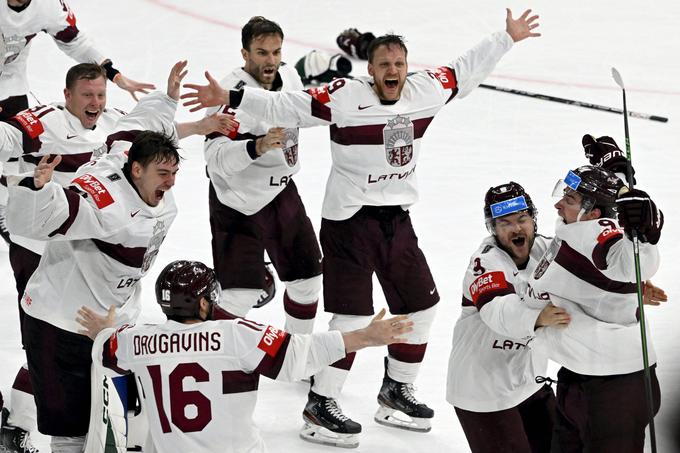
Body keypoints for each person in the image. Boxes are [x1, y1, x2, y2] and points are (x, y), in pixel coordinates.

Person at [182, 7, 541, 447]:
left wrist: (505, 37)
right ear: (369, 71)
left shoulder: (427, 89)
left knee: (421, 309)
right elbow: (287, 104)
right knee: (351, 317)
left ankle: (396, 391)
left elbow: (466, 67)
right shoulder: (345, 97)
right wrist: (235, 98)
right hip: (348, 222)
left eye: (399, 64)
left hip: (397, 221)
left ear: (407, 67)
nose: (393, 71)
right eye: (384, 65)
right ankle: (321, 403)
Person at [0, 61, 234, 453]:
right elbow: (48, 218)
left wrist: (168, 98)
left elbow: (144, 121)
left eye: (173, 173)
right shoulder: (105, 204)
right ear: (137, 170)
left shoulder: (127, 148)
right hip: (63, 321)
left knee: (125, 415)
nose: (170, 182)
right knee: (72, 430)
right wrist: (38, 189)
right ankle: (15, 426)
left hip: (112, 317)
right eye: (162, 174)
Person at [75, 259, 414, 453]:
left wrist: (105, 329)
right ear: (206, 303)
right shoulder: (237, 335)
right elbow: (301, 354)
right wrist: (366, 337)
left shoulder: (138, 341)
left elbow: (107, 350)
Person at [525, 162, 663, 452]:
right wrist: (615, 175)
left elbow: (626, 262)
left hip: (614, 390)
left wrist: (645, 237)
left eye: (570, 200)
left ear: (594, 213)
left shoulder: (597, 230)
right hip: (581, 377)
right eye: (563, 194)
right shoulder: (574, 228)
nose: (558, 204)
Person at [202, 16, 322, 335]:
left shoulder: (291, 78)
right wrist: (256, 147)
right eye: (261, 53)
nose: (271, 61)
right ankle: (216, 362)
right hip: (236, 204)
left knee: (308, 282)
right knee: (239, 296)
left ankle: (297, 354)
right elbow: (214, 161)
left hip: (282, 193)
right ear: (245, 54)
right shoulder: (228, 96)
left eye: (276, 52)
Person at [446, 182, 570, 453]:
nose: (517, 229)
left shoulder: (547, 250)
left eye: (522, 219)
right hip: (482, 390)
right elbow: (497, 312)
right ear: (493, 229)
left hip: (529, 383)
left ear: (533, 220)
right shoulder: (484, 263)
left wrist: (629, 286)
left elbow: (588, 270)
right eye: (505, 223)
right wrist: (540, 316)